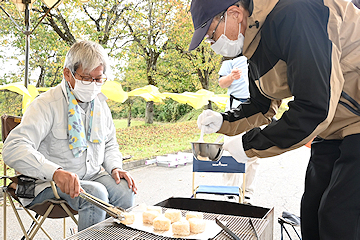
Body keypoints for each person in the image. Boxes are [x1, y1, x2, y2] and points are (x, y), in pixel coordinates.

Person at [189, 0, 360, 239]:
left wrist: (248, 145)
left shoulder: (295, 12)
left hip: (353, 120)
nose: (212, 44)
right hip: (332, 128)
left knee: (339, 218)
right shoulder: (253, 42)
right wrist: (222, 121)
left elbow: (314, 108)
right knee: (311, 212)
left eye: (211, 35)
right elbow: (262, 106)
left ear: (234, 13)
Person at [3, 40, 137, 231]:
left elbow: (109, 144)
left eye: (98, 79)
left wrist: (115, 166)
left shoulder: (100, 105)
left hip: (90, 176)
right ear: (68, 73)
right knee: (97, 193)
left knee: (125, 188)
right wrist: (55, 172)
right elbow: (13, 148)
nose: (92, 85)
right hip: (46, 183)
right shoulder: (46, 105)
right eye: (86, 78)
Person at [218, 56, 259, 205]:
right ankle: (230, 192)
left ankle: (247, 192)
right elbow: (222, 83)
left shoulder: (258, 55)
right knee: (231, 151)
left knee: (254, 153)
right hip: (235, 108)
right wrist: (231, 77)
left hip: (256, 111)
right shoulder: (231, 58)